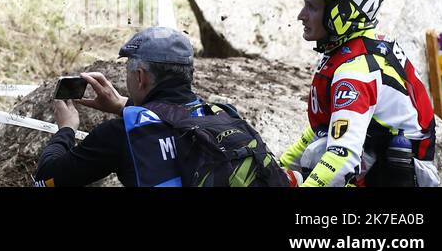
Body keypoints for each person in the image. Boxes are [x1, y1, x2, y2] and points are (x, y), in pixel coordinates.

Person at [34, 27, 282, 186]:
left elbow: (46, 180)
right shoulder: (224, 115)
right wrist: (124, 105)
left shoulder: (122, 135)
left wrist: (66, 129)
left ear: (140, 77)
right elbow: (174, 121)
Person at [281, 0, 439, 186]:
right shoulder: (352, 47)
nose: (301, 15)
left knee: (317, 156)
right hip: (381, 157)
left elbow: (342, 158)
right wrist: (278, 168)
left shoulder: (355, 72)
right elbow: (322, 129)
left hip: (398, 173)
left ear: (343, 14)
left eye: (312, 7)